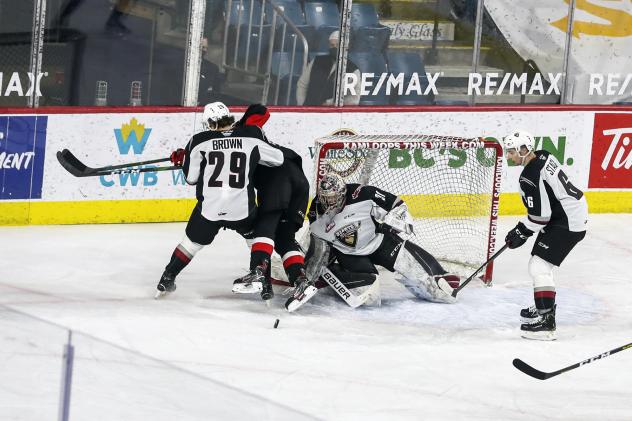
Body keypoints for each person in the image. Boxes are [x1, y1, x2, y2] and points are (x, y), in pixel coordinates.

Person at [155, 102, 284, 298]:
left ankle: (167, 278)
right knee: (254, 241)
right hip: (242, 210)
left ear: (208, 122)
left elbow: (191, 178)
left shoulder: (198, 140)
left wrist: (185, 159)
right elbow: (278, 159)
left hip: (210, 210)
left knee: (191, 243)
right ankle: (265, 285)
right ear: (229, 118)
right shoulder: (250, 136)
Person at [292, 173, 461, 311]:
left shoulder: (363, 194)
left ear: (343, 193)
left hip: (379, 241)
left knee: (439, 291)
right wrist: (309, 276)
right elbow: (319, 248)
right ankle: (330, 274)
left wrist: (398, 222)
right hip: (350, 255)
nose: (329, 202)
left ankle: (438, 274)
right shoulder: (315, 214)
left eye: (333, 197)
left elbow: (396, 204)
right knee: (368, 299)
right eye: (326, 198)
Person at [503, 130, 588, 341]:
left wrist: (520, 231)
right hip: (569, 213)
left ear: (524, 150)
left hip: (567, 220)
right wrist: (522, 231)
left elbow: (541, 217)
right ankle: (544, 303)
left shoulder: (530, 176)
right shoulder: (543, 155)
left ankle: (546, 323)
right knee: (541, 263)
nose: (508, 156)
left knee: (539, 266)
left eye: (512, 151)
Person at [230, 104, 314, 308]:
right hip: (300, 183)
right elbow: (261, 111)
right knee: (284, 236)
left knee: (265, 226)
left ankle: (258, 271)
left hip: (279, 180)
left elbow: (258, 110)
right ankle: (301, 281)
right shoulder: (254, 134)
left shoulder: (242, 132)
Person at [295, 31, 361, 106]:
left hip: (332, 114)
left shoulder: (353, 70)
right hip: (309, 111)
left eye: (337, 45)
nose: (334, 48)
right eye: (332, 45)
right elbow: (302, 84)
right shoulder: (317, 61)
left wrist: (329, 103)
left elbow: (353, 98)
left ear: (346, 47)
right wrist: (302, 105)